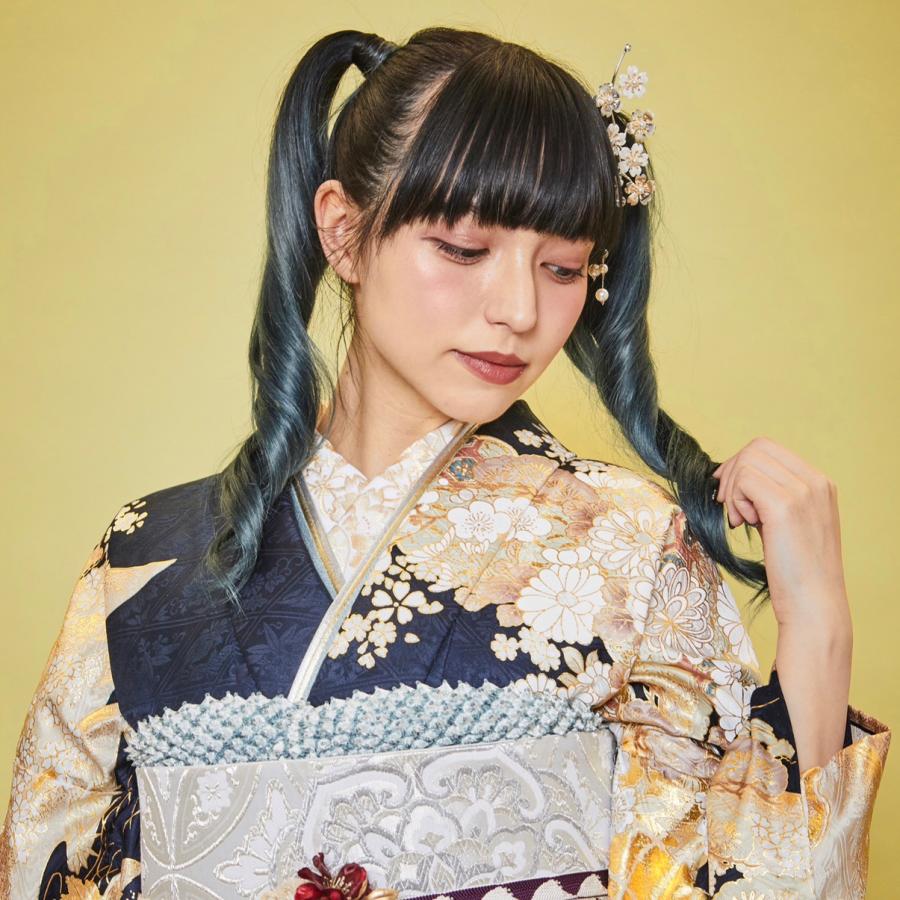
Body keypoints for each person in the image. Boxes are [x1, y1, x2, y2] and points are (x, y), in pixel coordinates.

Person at [0, 25, 889, 900]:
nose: (518, 310)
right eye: (464, 250)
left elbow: (715, 882)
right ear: (343, 233)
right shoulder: (144, 555)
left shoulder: (632, 544)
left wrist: (818, 623)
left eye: (563, 268)